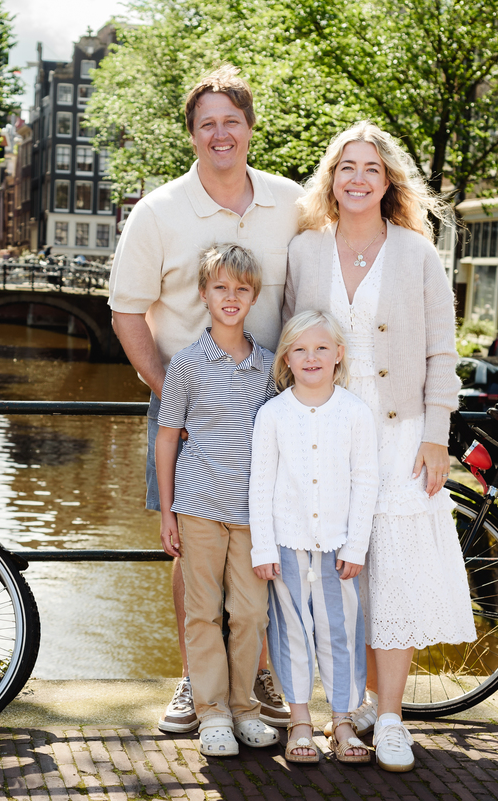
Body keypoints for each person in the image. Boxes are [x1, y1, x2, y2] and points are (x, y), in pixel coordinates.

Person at [108, 64, 302, 734]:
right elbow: (127, 312)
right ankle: (196, 680)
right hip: (188, 412)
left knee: (273, 547)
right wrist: (172, 396)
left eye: (232, 120)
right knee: (192, 552)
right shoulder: (157, 213)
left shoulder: (292, 203)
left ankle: (259, 679)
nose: (221, 133)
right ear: (191, 135)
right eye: (207, 123)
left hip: (275, 413)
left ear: (250, 128)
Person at [282, 120, 477, 772]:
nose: (358, 178)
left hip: (397, 433)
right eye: (346, 167)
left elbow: (442, 352)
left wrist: (436, 433)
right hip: (323, 430)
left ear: (388, 179)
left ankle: (391, 717)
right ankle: (354, 703)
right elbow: (286, 344)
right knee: (342, 574)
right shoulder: (305, 250)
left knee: (390, 574)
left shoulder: (419, 254)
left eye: (370, 167)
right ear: (331, 181)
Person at [155, 243, 280, 757]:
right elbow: (168, 437)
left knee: (251, 613)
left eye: (241, 289)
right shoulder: (187, 364)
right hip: (199, 507)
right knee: (203, 612)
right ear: (204, 294)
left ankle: (244, 707)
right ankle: (211, 715)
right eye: (221, 288)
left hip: (252, 515)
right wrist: (167, 512)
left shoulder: (271, 368)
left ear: (253, 298)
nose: (231, 297)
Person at [250, 310, 378, 765]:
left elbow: (366, 480)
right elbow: (260, 485)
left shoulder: (354, 413)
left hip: (338, 548)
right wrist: (263, 548)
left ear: (339, 355)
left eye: (321, 347)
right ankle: (300, 719)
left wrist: (357, 544)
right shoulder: (273, 415)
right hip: (286, 545)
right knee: (292, 634)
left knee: (339, 634)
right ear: (286, 357)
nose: (311, 357)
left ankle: (343, 720)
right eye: (300, 349)